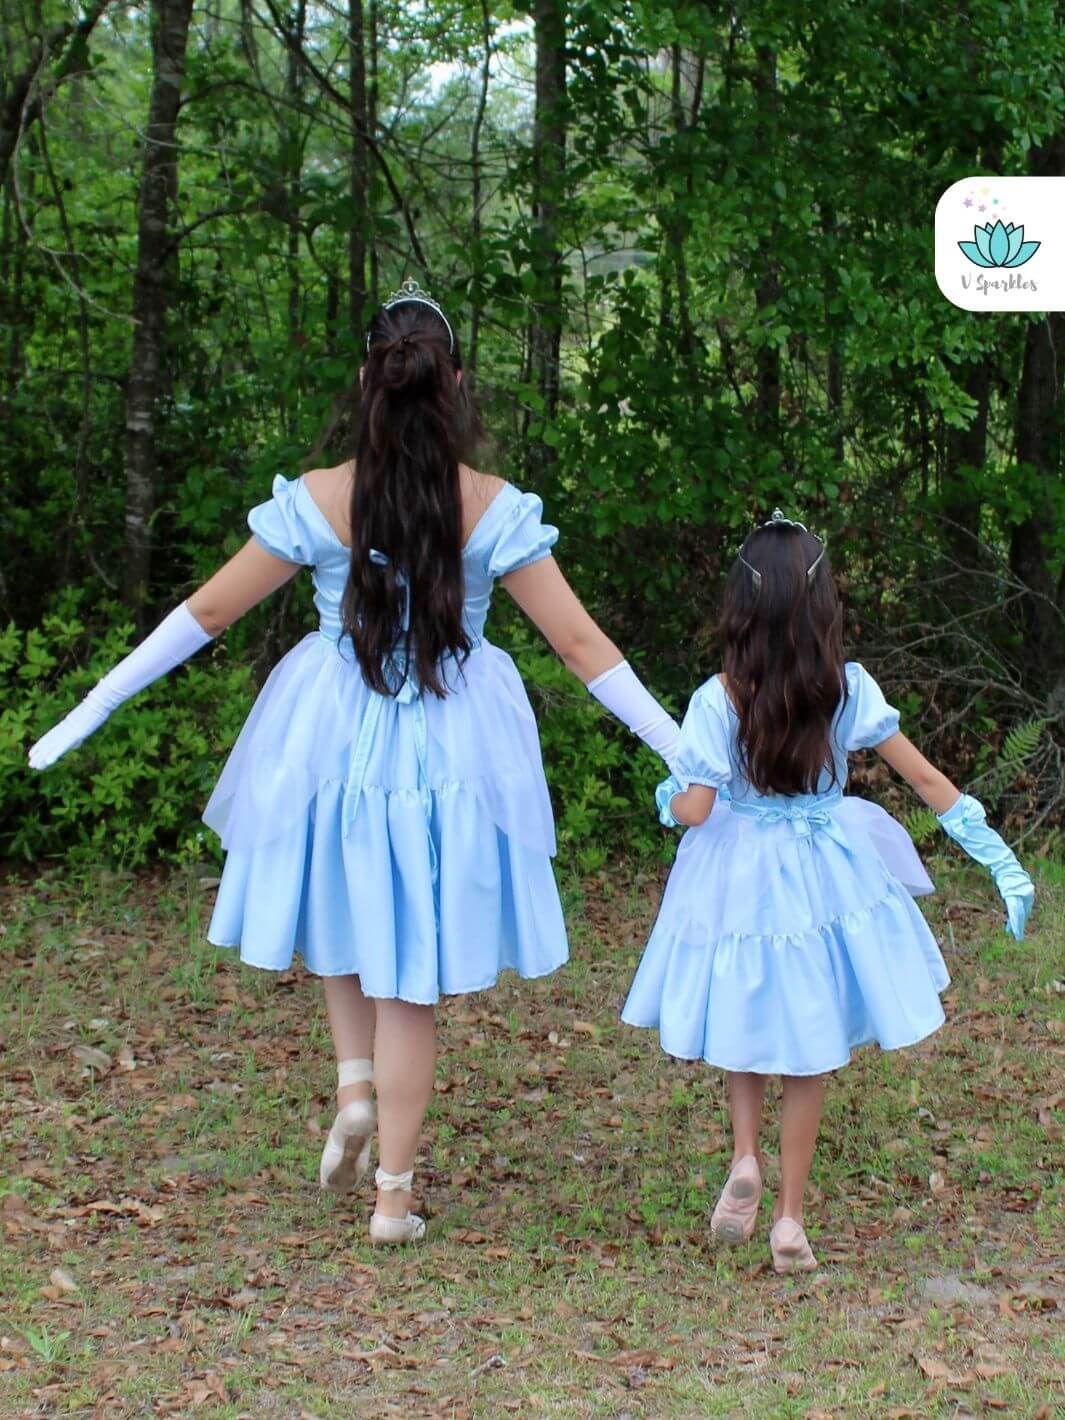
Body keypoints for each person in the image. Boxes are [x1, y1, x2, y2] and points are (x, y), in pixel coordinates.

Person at [28, 279, 681, 1246]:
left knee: (339, 903)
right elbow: (582, 648)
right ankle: (393, 1198)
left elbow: (209, 612)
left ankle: (353, 1089)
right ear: (455, 382)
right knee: (407, 976)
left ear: (368, 380)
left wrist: (96, 702)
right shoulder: (491, 506)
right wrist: (682, 747)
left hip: (331, 733)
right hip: (451, 746)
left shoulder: (321, 497)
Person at [620, 509, 1034, 1275]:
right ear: (820, 605)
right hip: (822, 873)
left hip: (738, 875)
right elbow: (925, 779)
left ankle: (744, 1156)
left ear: (740, 605)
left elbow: (697, 807)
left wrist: (665, 800)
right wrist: (998, 858)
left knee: (743, 1011)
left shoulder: (717, 697)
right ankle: (789, 1219)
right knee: (807, 1045)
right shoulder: (845, 689)